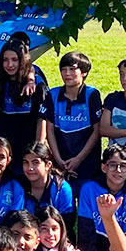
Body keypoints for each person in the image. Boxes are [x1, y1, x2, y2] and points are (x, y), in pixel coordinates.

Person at [48, 52, 102, 183]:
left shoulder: (91, 95)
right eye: (63, 69)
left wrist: (78, 159)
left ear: (84, 72)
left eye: (72, 69)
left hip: (87, 162)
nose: (67, 74)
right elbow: (49, 130)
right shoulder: (53, 94)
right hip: (60, 163)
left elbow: (97, 131)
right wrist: (58, 160)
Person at [0, 38, 51, 156]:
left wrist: (38, 148)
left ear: (23, 60)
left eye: (15, 60)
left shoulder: (37, 84)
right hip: (4, 148)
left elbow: (42, 119)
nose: (9, 65)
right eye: (5, 60)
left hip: (28, 148)